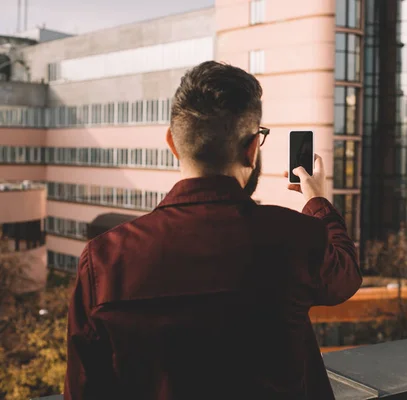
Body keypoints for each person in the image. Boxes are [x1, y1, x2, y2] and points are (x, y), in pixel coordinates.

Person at [64, 61, 362, 400]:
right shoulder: (295, 237)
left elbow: (84, 389)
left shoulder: (104, 259)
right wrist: (317, 200)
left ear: (172, 144)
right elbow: (347, 277)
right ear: (252, 149)